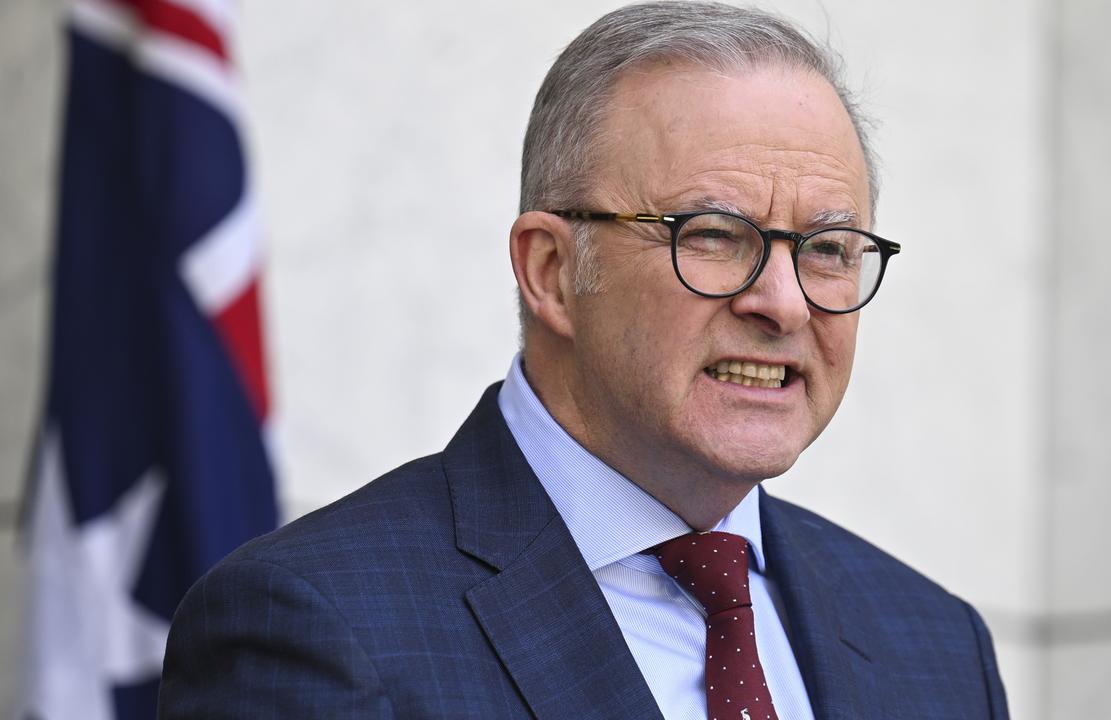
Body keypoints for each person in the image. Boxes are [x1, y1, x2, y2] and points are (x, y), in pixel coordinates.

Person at [159, 2, 1010, 718]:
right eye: (713, 235)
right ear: (552, 273)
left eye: (828, 248)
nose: (783, 303)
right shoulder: (313, 628)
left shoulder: (936, 650)